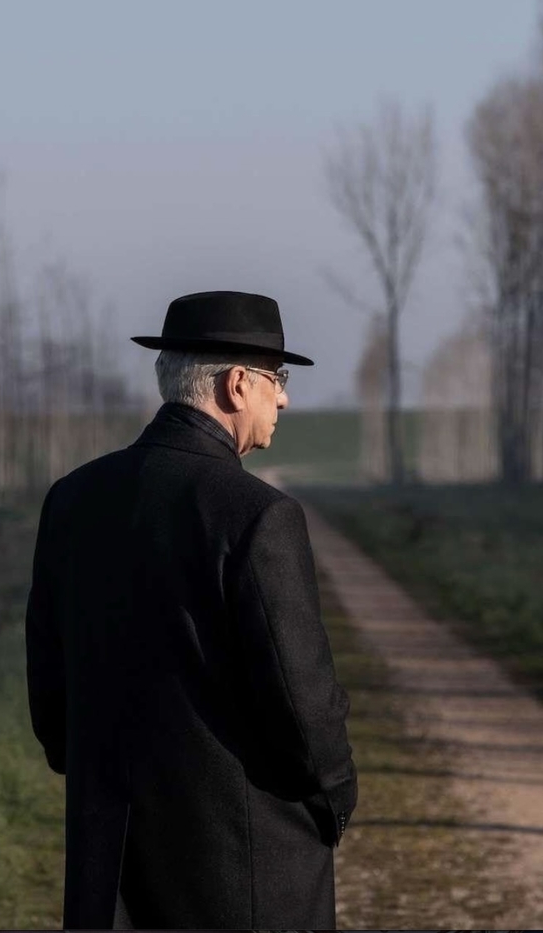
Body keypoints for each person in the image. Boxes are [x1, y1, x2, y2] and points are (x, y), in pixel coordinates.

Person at [26, 290, 357, 930]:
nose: (284, 400)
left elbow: (49, 683)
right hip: (242, 863)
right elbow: (302, 699)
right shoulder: (258, 515)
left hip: (109, 858)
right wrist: (334, 798)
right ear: (238, 385)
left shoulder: (72, 499)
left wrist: (98, 779)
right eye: (278, 380)